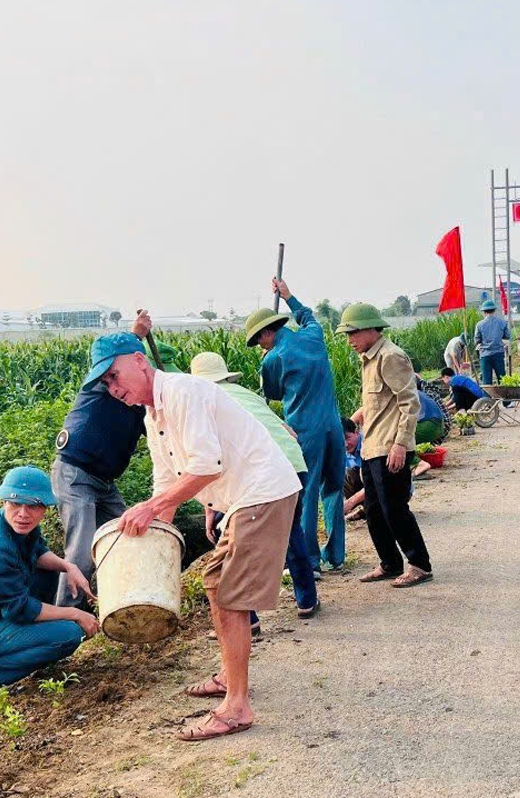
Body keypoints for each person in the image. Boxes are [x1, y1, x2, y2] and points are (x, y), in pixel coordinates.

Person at [87, 333, 301, 741]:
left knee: (227, 592)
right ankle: (228, 676)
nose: (115, 389)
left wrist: (149, 511)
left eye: (116, 376)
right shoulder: (154, 417)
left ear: (139, 360)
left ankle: (236, 706)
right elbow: (166, 484)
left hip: (261, 491)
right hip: (241, 498)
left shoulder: (183, 392)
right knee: (216, 585)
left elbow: (206, 467)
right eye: (108, 385)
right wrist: (147, 539)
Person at [189, 352, 319, 619]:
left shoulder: (205, 403)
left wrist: (210, 509)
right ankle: (307, 601)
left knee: (238, 547)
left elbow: (209, 460)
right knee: (291, 533)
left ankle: (246, 620)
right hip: (294, 466)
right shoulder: (247, 395)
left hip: (260, 477)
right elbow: (289, 432)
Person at [0, 467, 99, 702]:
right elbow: (19, 609)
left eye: (34, 506)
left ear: (46, 509)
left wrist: (69, 566)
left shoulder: (15, 525)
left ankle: (8, 647)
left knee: (50, 573)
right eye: (15, 504)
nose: (23, 513)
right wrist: (74, 613)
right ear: (4, 502)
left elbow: (37, 551)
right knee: (69, 633)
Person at [51, 311, 153, 609]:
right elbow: (115, 362)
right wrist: (135, 336)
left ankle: (122, 605)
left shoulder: (141, 399)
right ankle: (67, 621)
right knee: (81, 553)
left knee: (127, 537)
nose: (114, 384)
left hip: (104, 481)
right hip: (75, 474)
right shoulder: (105, 383)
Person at [245, 279, 345, 577]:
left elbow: (274, 394)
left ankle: (310, 561)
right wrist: (289, 297)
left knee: (307, 490)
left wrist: (268, 361)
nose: (259, 345)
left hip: (304, 429)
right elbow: (309, 317)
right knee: (334, 487)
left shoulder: (273, 358)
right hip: (332, 425)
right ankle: (336, 555)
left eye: (258, 340)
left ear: (267, 332)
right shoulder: (313, 337)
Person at [336, 304, 432, 588]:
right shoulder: (368, 360)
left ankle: (419, 564)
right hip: (372, 446)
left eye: (352, 333)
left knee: (395, 509)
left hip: (391, 447)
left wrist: (401, 444)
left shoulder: (390, 357)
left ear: (370, 329)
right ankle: (390, 563)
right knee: (376, 512)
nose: (349, 340)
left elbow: (409, 402)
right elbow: (373, 406)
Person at [474, 300, 510, 384]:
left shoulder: (479, 324)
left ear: (484, 312)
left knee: (486, 381)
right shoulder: (502, 322)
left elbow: (477, 340)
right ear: (494, 310)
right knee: (502, 379)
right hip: (498, 354)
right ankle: (504, 396)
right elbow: (507, 336)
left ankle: (488, 397)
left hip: (485, 355)